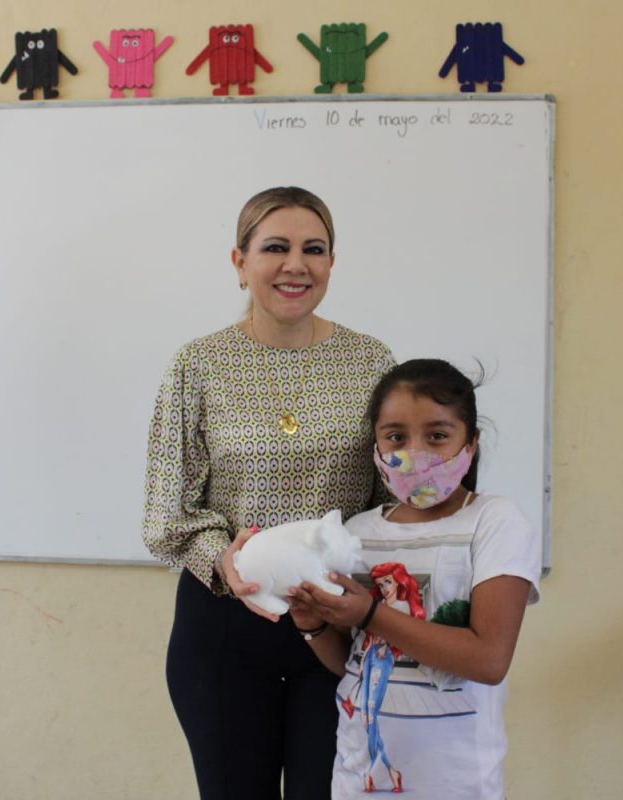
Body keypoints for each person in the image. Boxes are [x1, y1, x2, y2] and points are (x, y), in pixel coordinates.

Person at [141, 186, 397, 800]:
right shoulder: (198, 364)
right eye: (275, 247)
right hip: (226, 625)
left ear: (331, 262)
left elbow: (389, 497)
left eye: (314, 249)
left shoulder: (372, 362)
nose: (295, 265)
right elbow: (166, 512)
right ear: (240, 261)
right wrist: (223, 560)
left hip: (336, 629)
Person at [288, 359, 542, 798]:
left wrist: (370, 613)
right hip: (357, 780)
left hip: (456, 784)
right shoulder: (356, 533)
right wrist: (313, 627)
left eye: (437, 436)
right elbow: (352, 662)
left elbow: (489, 661)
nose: (415, 453)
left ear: (472, 442)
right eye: (396, 437)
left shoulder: (495, 522)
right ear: (376, 444)